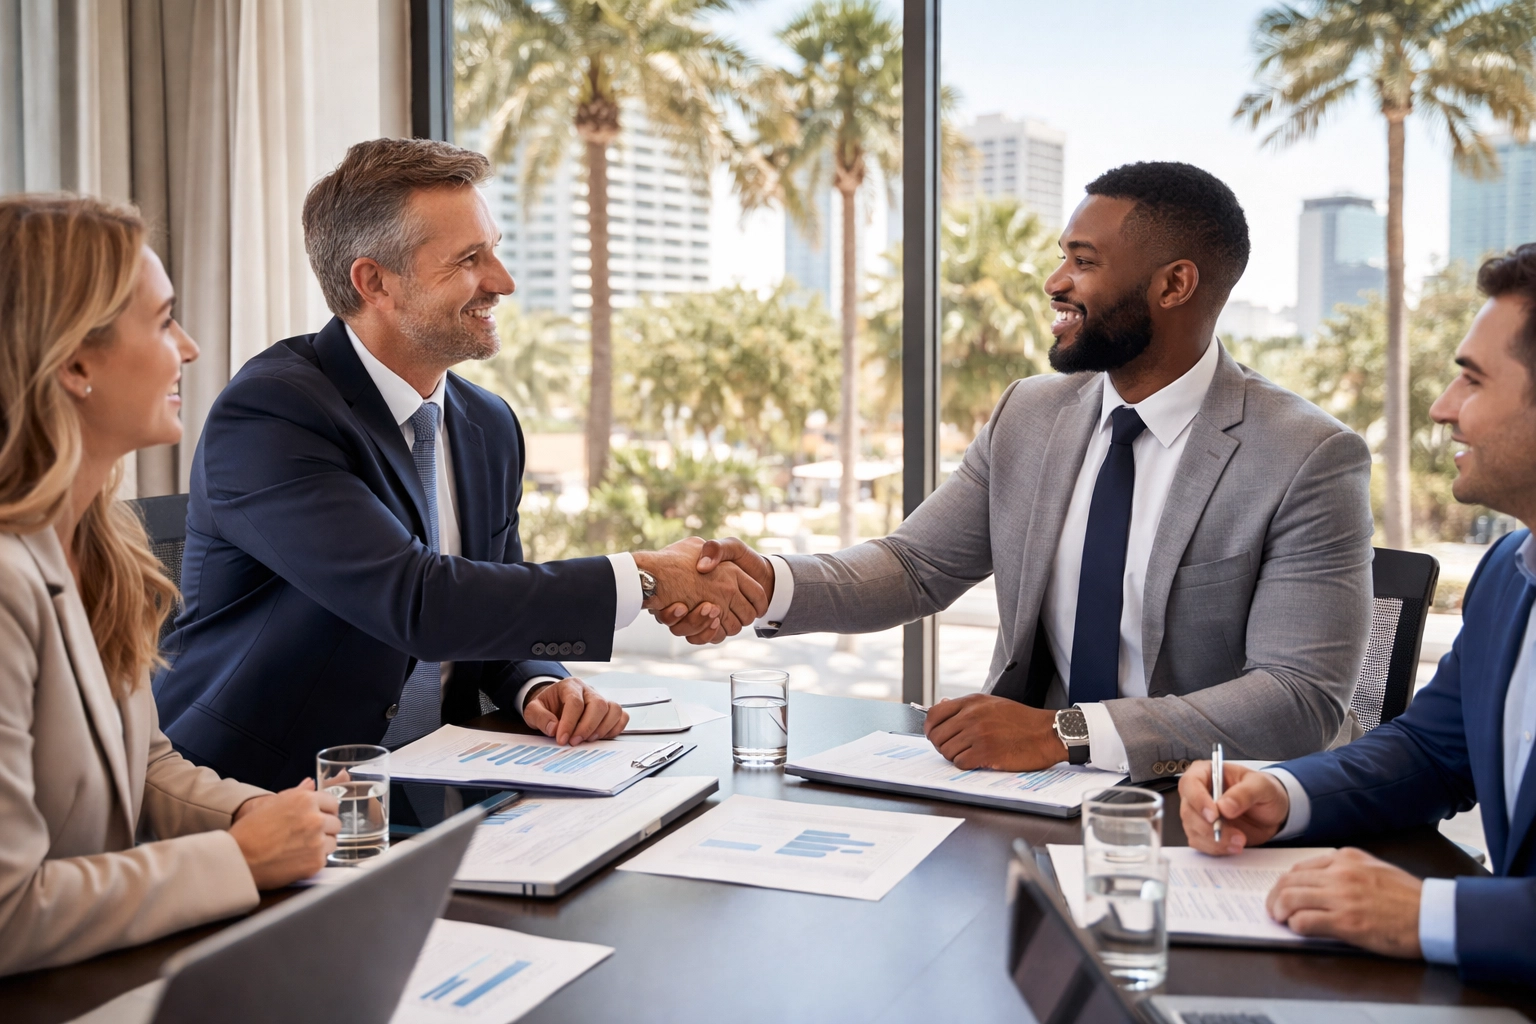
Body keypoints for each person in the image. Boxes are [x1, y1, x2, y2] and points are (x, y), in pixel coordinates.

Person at [677, 162, 1374, 782]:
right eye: (1061, 257)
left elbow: (1299, 697)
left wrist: (1062, 734)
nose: (1055, 282)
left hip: (1203, 806)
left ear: (1174, 284)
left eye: (1083, 261)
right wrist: (766, 582)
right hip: (1024, 790)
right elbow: (916, 566)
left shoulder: (1306, 456)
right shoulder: (1031, 413)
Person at [154, 138, 763, 791]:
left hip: (437, 784)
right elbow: (418, 602)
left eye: (492, 250)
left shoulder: (488, 424)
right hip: (257, 793)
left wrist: (536, 683)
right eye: (469, 260)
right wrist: (642, 577)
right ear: (374, 282)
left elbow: (490, 603)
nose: (503, 281)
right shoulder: (272, 413)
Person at [0, 195, 341, 976]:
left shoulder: (100, 543)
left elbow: (145, 764)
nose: (187, 347)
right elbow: (9, 913)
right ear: (74, 364)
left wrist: (253, 812)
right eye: (162, 322)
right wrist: (239, 859)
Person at [1179, 244, 1536, 986]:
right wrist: (1284, 795)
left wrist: (1431, 914)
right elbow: (1432, 754)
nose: (1442, 406)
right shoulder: (1508, 572)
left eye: (1472, 379)